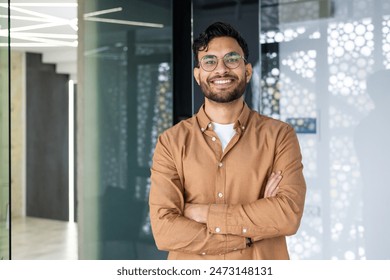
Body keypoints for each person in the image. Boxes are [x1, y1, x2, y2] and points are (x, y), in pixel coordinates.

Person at [149, 21, 306, 260]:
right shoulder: (171, 142)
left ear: (248, 70)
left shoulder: (279, 136)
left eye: (232, 59)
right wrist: (250, 233)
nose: (221, 69)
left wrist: (203, 213)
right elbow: (165, 231)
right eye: (209, 61)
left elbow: (287, 215)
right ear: (198, 74)